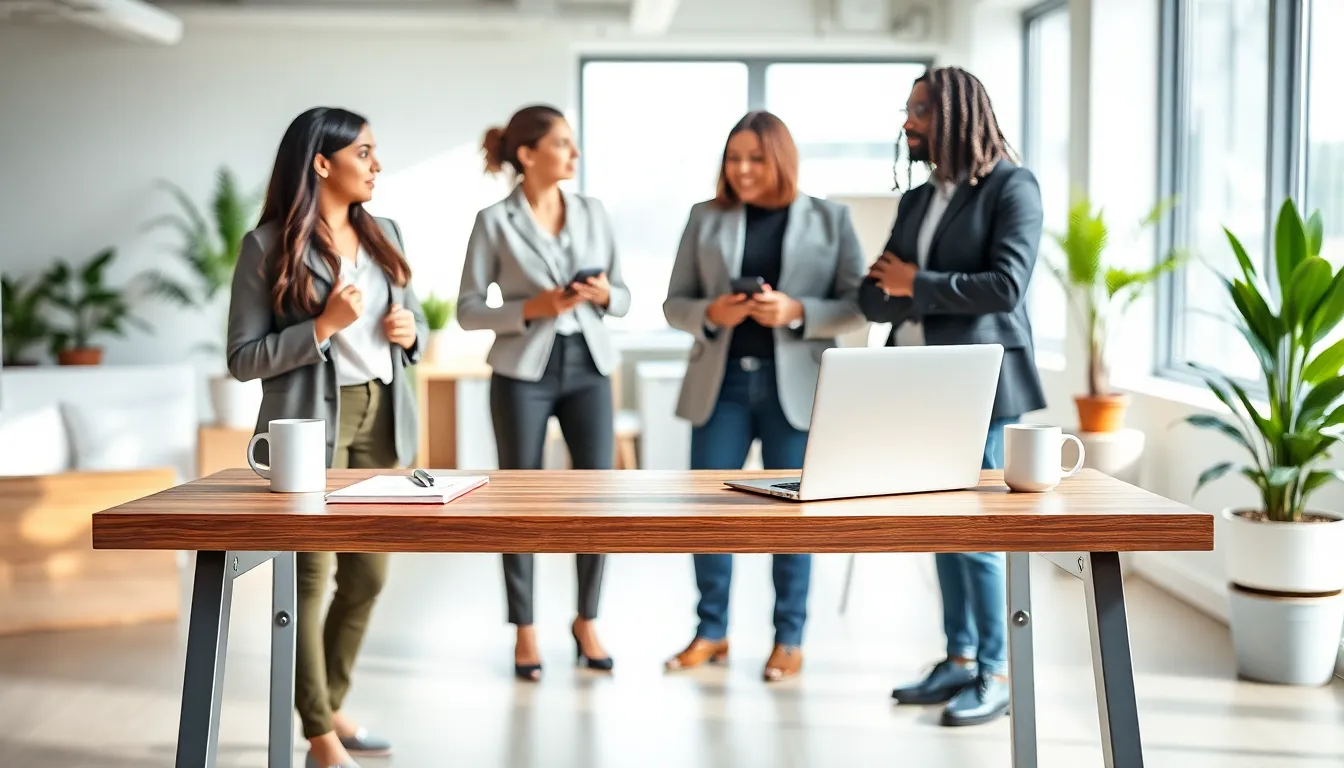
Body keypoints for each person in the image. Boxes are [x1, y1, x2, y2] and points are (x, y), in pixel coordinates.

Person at [227, 106, 427, 768]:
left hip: (381, 414)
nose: (376, 165)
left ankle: (329, 705)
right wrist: (321, 325)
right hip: (311, 423)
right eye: (364, 153)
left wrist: (410, 333)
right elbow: (243, 358)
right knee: (307, 580)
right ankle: (318, 735)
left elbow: (413, 324)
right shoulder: (265, 246)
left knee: (368, 575)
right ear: (322, 162)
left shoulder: (385, 232)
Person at [860, 66, 1047, 727]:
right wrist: (901, 287)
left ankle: (996, 670)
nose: (907, 123)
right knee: (942, 530)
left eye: (920, 111)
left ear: (957, 115)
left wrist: (917, 283)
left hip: (980, 387)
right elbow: (871, 293)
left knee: (976, 534)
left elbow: (1005, 286)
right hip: (914, 385)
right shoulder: (918, 200)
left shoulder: (1011, 187)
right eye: (908, 110)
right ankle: (959, 657)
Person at [662, 111, 868, 682]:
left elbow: (859, 302)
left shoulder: (830, 219)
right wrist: (712, 312)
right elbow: (674, 302)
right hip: (720, 385)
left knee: (793, 517)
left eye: (755, 158)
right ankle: (711, 631)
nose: (743, 170)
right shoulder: (705, 218)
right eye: (733, 158)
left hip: (795, 390)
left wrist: (797, 310)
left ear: (781, 159)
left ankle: (789, 638)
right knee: (708, 515)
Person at [457, 104, 630, 683]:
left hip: (590, 365)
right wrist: (534, 306)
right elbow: (467, 310)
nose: (573, 154)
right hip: (522, 371)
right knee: (518, 500)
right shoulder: (494, 220)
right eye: (561, 143)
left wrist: (603, 294)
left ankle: (587, 619)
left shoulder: (594, 211)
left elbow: (625, 295)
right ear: (527, 155)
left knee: (594, 497)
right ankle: (525, 629)